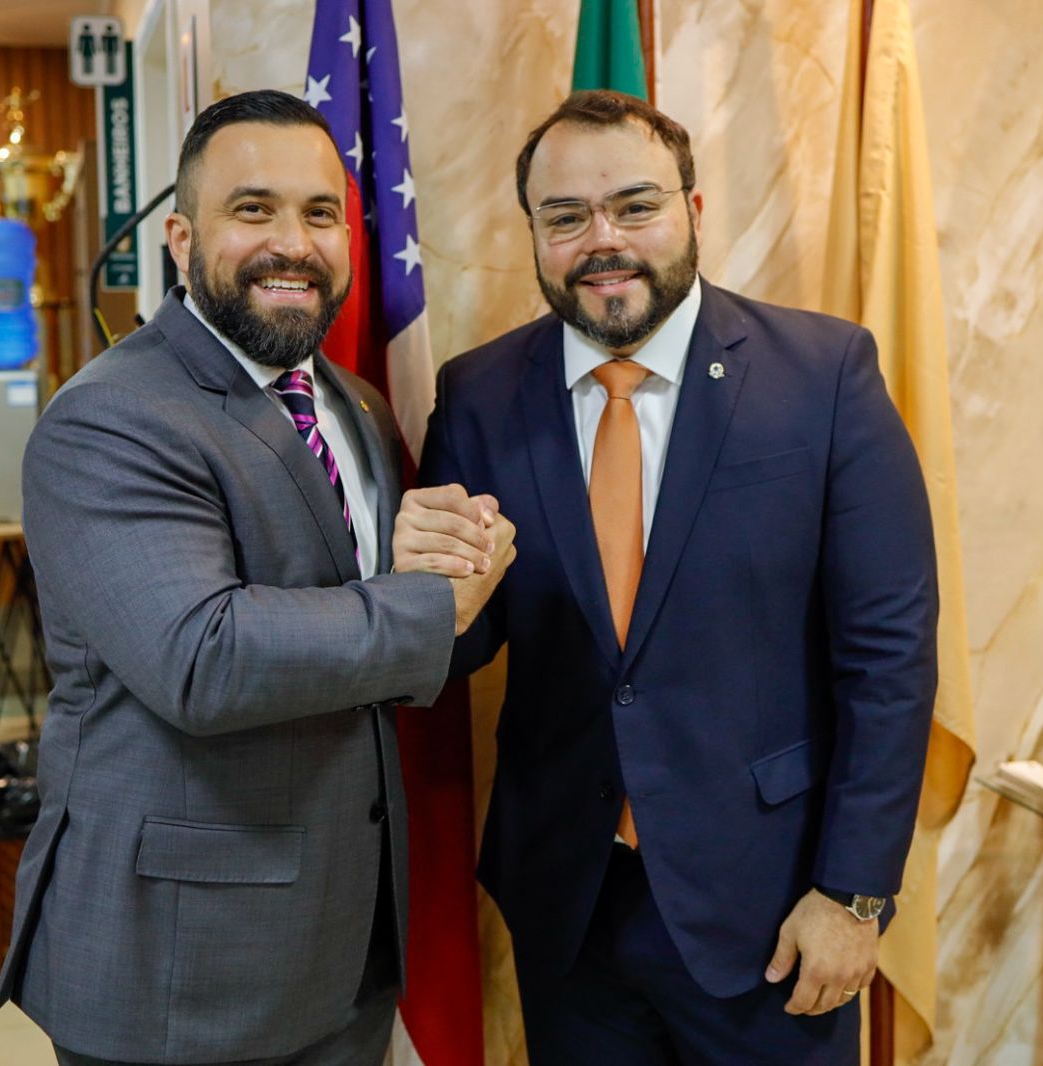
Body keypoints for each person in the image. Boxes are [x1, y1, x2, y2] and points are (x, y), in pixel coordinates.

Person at [409, 90, 939, 1064]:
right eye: (566, 216)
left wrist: (853, 894)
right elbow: (459, 646)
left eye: (634, 205)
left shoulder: (822, 376)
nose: (602, 239)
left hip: (774, 909)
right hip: (568, 908)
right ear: (531, 232)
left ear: (692, 212)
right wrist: (416, 585)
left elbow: (888, 657)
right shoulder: (479, 395)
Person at [0, 89, 515, 1066]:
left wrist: (440, 552)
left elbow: (348, 608)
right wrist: (430, 604)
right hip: (184, 970)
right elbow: (203, 656)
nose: (294, 241)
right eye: (253, 209)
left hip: (345, 940)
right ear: (183, 239)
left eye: (320, 213)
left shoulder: (350, 402)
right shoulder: (110, 418)